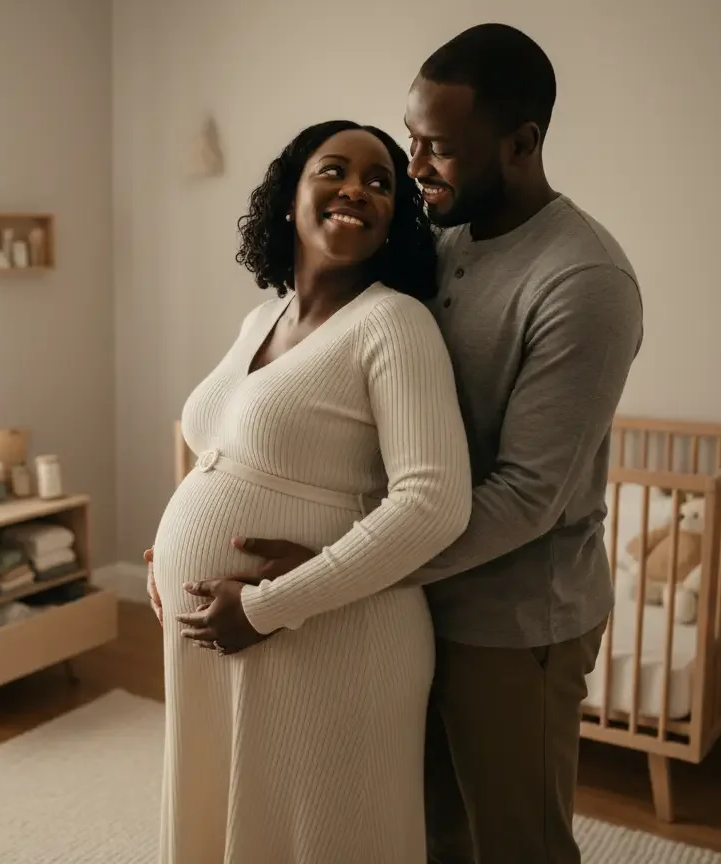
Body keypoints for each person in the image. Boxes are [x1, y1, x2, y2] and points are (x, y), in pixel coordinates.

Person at [155, 23, 645, 864]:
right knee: (421, 835)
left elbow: (530, 495)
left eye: (438, 148)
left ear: (521, 143)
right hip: (387, 605)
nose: (413, 168)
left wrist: (322, 573)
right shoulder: (436, 241)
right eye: (410, 140)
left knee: (514, 844)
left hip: (508, 619)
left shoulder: (583, 281)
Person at [149, 118, 472, 864]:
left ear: (395, 217)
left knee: (319, 834)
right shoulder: (261, 316)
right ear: (290, 194)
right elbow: (224, 453)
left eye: (380, 182)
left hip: (330, 633)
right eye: (334, 170)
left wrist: (268, 606)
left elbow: (434, 503)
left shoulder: (395, 323)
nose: (357, 189)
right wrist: (167, 552)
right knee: (222, 814)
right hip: (225, 630)